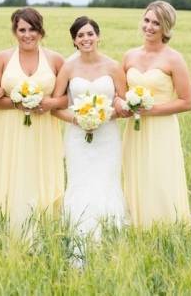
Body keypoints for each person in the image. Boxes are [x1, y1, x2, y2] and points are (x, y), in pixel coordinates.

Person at [119, 0, 191, 227]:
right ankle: (137, 222)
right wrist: (125, 106)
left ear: (166, 27)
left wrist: (151, 109)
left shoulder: (174, 59)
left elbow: (187, 102)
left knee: (160, 175)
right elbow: (119, 94)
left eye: (156, 23)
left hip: (161, 129)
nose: (149, 27)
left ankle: (166, 224)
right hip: (134, 129)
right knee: (136, 172)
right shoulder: (129, 56)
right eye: (146, 20)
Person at [0, 7, 66, 235]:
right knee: (12, 171)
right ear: (14, 31)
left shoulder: (56, 60)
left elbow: (68, 97)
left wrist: (49, 103)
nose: (27, 35)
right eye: (22, 30)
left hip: (44, 129)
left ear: (41, 31)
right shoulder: (2, 58)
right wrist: (14, 102)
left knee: (40, 171)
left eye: (33, 29)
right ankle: (8, 226)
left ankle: (44, 225)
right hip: (9, 129)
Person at [51, 16, 127, 239]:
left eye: (90, 34)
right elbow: (56, 107)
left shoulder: (113, 66)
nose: (86, 39)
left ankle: (111, 231)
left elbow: (123, 103)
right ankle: (78, 230)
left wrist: (104, 115)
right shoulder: (68, 68)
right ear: (74, 41)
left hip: (108, 135)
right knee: (80, 180)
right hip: (76, 136)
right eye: (80, 35)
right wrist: (78, 120)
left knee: (107, 179)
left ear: (98, 36)